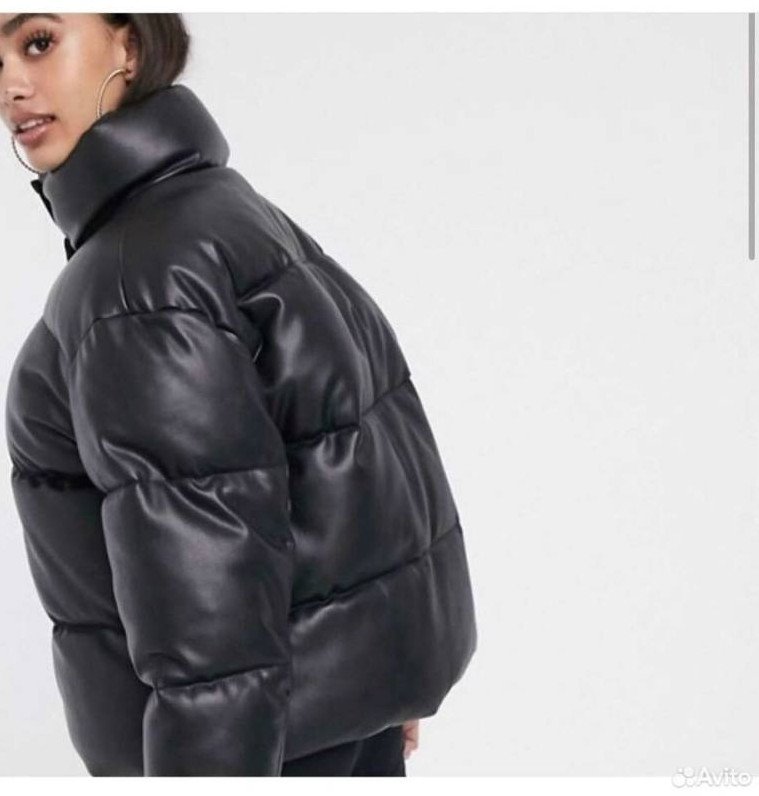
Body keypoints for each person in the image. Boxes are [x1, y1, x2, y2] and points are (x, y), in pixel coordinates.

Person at [1, 13, 477, 777]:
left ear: (129, 44)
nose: (12, 85)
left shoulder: (137, 276)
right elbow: (348, 454)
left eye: (38, 42)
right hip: (328, 719)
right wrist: (379, 673)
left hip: (249, 747)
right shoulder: (224, 211)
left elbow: (202, 581)